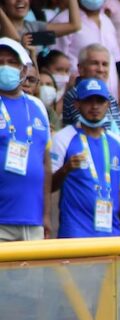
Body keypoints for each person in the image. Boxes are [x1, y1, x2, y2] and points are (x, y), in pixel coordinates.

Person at [50, 78, 120, 238]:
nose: (95, 106)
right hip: (75, 233)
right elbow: (48, 187)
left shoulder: (118, 143)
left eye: (100, 101)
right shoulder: (62, 138)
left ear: (108, 104)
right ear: (77, 104)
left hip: (112, 233)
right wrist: (66, 169)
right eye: (88, 101)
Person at [0, 37, 50, 242]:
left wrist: (46, 215)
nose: (5, 67)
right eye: (0, 62)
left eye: (12, 62)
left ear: (23, 69)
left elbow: (46, 164)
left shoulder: (38, 106)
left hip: (33, 219)